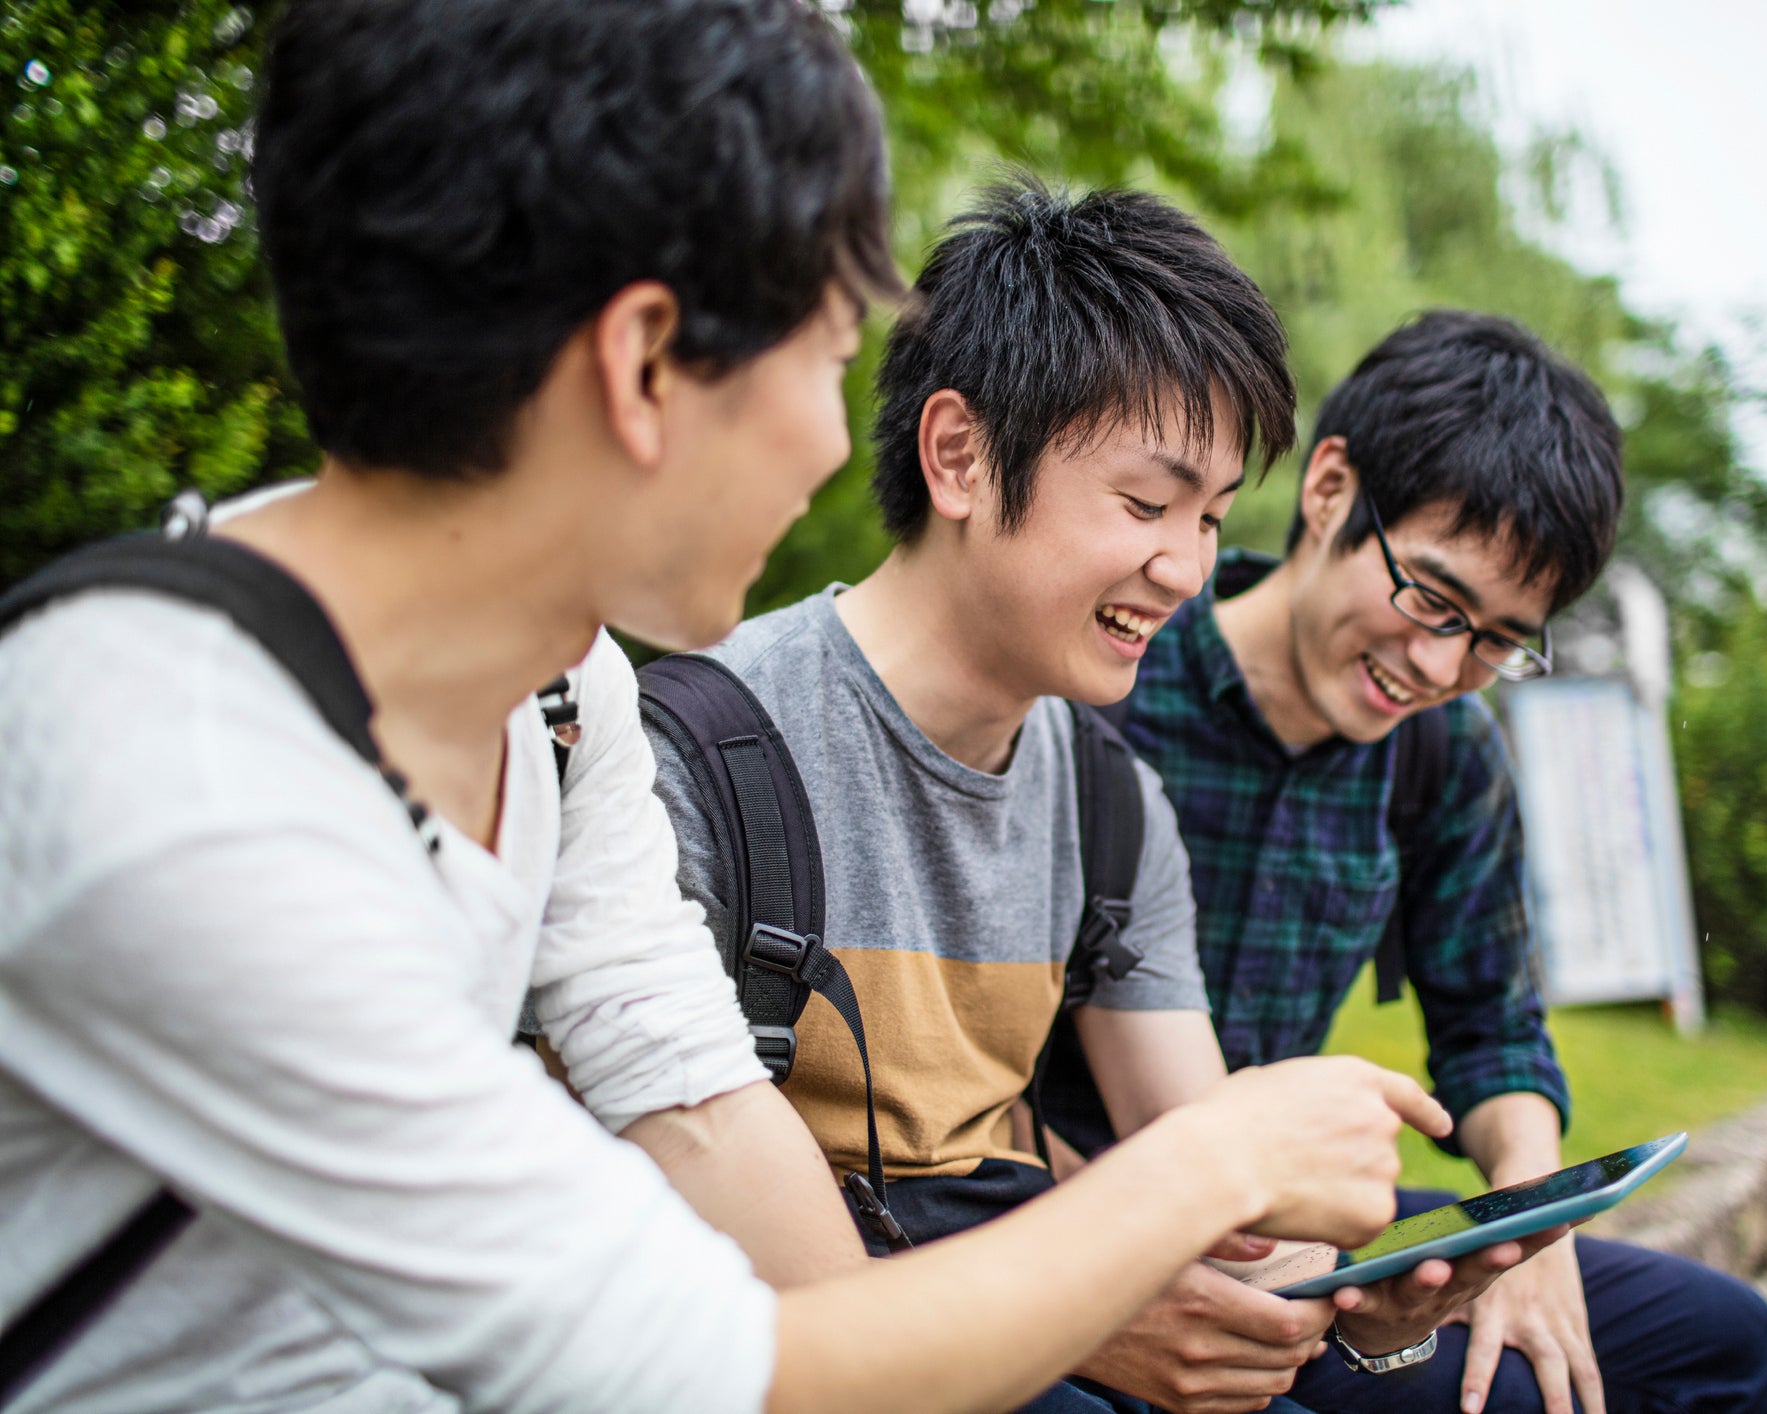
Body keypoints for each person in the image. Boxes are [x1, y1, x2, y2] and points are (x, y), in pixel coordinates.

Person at [0, 3, 1452, 1409]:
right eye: (825, 356)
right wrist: (1203, 1169)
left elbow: (695, 1098)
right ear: (643, 364)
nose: (835, 438)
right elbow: (721, 1371)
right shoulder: (186, 788)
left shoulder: (568, 703)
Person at [647, 181, 1564, 1414]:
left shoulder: (1111, 802)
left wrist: (1354, 1295)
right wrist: (1089, 1316)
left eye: (1213, 516)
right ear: (961, 455)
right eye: (1146, 505)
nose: (1187, 568)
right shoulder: (694, 758)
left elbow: (1200, 1170)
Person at [1104, 311, 1767, 1414]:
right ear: (1329, 488)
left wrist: (1531, 1223)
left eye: (1499, 639)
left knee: (1722, 1338)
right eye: (1430, 596)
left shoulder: (1444, 750)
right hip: (1095, 1208)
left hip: (1307, 1220)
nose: (1437, 664)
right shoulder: (1118, 676)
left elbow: (1490, 1025)